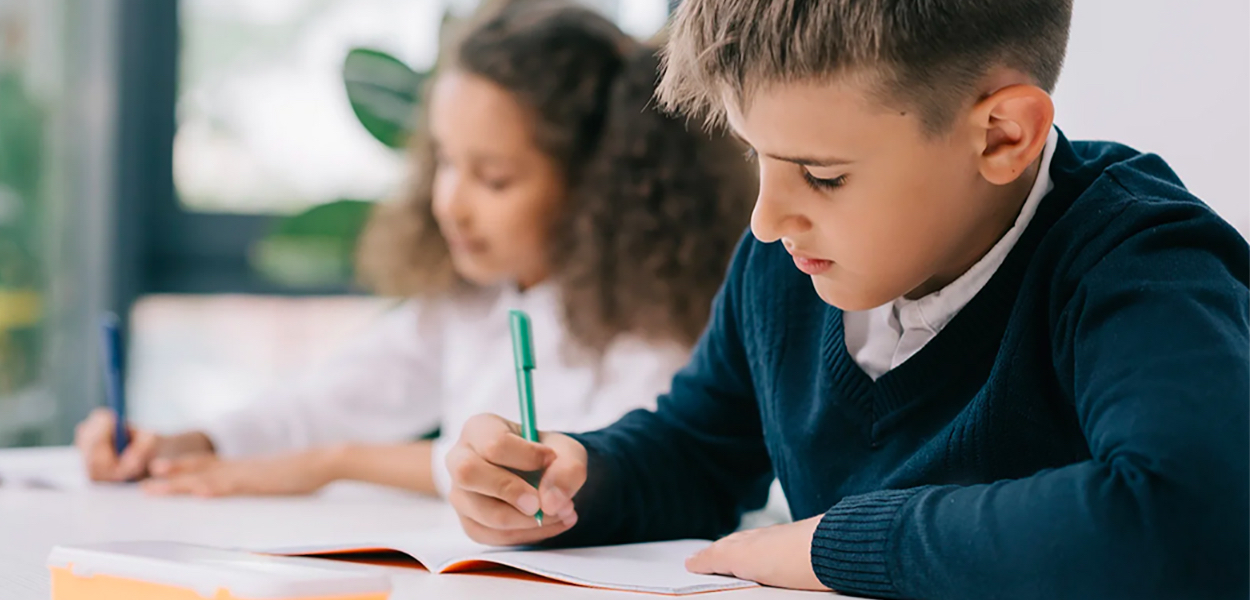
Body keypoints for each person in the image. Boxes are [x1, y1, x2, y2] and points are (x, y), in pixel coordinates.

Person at [440, 1, 1250, 598]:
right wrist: (580, 478)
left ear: (1003, 135)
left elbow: (1192, 517)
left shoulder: (1141, 258)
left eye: (822, 175)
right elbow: (700, 450)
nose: (765, 219)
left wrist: (840, 545)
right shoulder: (791, 257)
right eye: (757, 156)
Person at [74, 0, 754, 499]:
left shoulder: (657, 328)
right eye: (446, 165)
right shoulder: (469, 304)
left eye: (493, 178)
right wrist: (189, 444)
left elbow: (562, 471)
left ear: (598, 186)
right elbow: (329, 399)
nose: (449, 202)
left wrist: (333, 463)